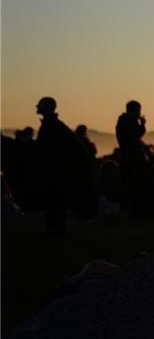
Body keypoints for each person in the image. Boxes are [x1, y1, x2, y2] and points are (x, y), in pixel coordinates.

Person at [34, 97, 85, 236]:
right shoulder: (56, 125)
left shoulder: (50, 126)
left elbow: (45, 149)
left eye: (40, 105)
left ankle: (55, 230)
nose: (36, 107)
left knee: (54, 201)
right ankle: (56, 229)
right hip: (58, 170)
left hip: (55, 171)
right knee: (55, 201)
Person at [115, 100, 148, 215]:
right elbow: (135, 138)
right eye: (138, 110)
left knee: (131, 184)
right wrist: (142, 125)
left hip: (128, 156)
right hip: (132, 158)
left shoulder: (124, 121)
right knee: (135, 184)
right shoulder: (128, 122)